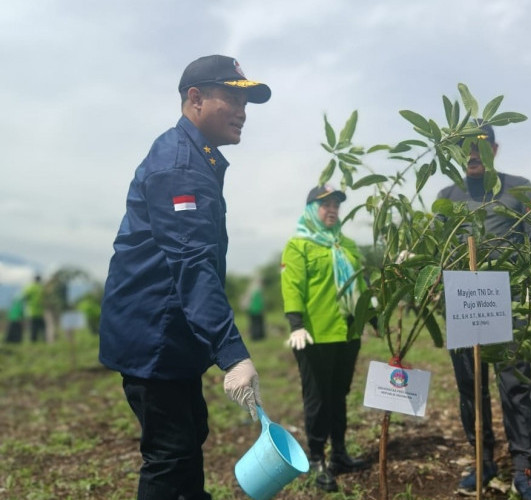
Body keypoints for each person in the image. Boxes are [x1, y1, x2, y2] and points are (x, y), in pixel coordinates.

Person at [99, 54, 270, 500]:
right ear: (194, 98)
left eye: (246, 102)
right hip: (153, 334)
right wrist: (232, 354)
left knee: (190, 433)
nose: (242, 111)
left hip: (172, 334)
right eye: (232, 97)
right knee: (170, 454)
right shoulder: (180, 166)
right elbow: (192, 264)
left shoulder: (197, 159)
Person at [436, 122, 531, 500]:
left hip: (510, 304)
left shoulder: (519, 188)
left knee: (516, 387)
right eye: (465, 147)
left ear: (494, 151)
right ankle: (482, 459)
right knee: (470, 388)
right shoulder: (446, 196)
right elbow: (435, 251)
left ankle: (524, 466)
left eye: (479, 146)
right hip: (462, 308)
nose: (471, 154)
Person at [280, 184, 370, 492]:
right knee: (317, 399)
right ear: (311, 210)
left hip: (347, 334)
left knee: (339, 395)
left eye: (336, 204)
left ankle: (340, 453)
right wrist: (296, 324)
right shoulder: (299, 245)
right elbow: (292, 285)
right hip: (314, 336)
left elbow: (362, 283)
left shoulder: (346, 244)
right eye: (325, 204)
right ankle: (317, 457)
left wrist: (372, 315)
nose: (332, 209)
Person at [242, 275, 266, 341]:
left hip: (252, 309)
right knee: (257, 324)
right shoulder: (257, 289)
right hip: (256, 309)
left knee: (254, 324)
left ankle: (255, 337)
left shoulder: (251, 288)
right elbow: (258, 301)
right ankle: (258, 337)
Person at [22, 275, 46, 342]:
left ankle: (33, 341)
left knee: (33, 327)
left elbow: (25, 297)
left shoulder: (29, 287)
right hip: (40, 311)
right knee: (42, 327)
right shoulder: (42, 287)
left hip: (31, 310)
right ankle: (44, 340)